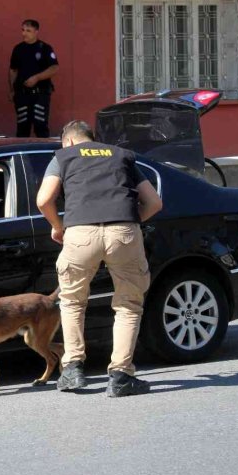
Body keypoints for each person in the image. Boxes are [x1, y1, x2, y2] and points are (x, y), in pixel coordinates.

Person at [36, 120, 163, 397]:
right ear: (91, 138)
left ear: (68, 141)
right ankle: (121, 376)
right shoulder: (121, 155)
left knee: (71, 302)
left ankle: (72, 370)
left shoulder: (63, 157)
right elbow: (154, 203)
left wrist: (58, 228)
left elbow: (44, 200)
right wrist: (128, 224)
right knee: (129, 305)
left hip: (80, 233)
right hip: (124, 231)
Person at [8, 19, 58, 137]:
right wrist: (11, 90)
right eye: (23, 30)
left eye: (28, 31)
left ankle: (43, 155)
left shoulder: (45, 48)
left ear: (36, 32)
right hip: (22, 95)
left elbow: (54, 67)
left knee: (41, 127)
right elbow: (13, 70)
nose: (24, 33)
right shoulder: (18, 49)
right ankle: (21, 155)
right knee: (22, 128)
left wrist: (37, 78)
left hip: (40, 95)